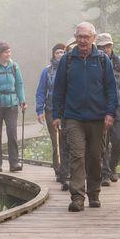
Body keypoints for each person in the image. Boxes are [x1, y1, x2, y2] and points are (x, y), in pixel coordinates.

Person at [52, 22, 120, 212]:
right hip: (73, 117)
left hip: (98, 118)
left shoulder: (102, 60)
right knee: (77, 155)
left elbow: (111, 89)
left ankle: (94, 193)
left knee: (95, 157)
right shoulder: (67, 60)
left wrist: (110, 113)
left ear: (93, 38)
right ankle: (77, 197)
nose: (82, 40)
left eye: (86, 37)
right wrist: (56, 114)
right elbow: (59, 89)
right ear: (75, 38)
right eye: (79, 37)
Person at [0, 41, 26, 172]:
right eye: (6, 52)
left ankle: (14, 163)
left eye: (9, 51)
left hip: (11, 105)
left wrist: (22, 100)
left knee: (12, 133)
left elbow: (19, 84)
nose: (8, 54)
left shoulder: (14, 66)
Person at [35, 42, 71, 189]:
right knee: (56, 140)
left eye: (62, 52)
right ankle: (59, 170)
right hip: (51, 109)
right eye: (57, 52)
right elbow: (41, 91)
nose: (60, 55)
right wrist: (39, 110)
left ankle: (66, 169)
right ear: (53, 55)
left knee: (66, 140)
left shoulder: (70, 68)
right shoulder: (47, 71)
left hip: (67, 111)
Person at [96, 33, 120, 186]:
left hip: (118, 106)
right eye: (102, 47)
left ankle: (112, 166)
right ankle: (105, 174)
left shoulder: (119, 62)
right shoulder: (95, 62)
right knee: (103, 141)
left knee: (119, 139)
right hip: (100, 106)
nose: (105, 49)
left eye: (107, 46)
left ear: (111, 46)